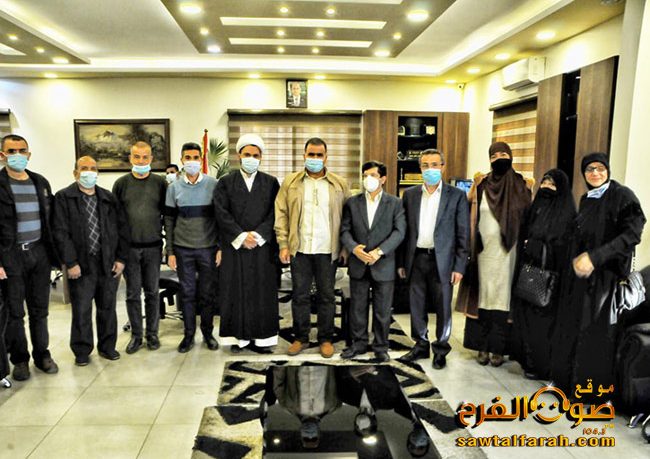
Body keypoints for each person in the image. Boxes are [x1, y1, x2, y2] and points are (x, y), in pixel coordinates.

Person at [551, 153, 645, 397]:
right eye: (589, 169)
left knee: (596, 337)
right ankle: (570, 386)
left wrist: (596, 257)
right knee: (574, 330)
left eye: (600, 168)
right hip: (582, 280)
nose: (595, 173)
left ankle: (591, 394)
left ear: (608, 170)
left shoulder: (622, 196)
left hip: (607, 280)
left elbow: (632, 234)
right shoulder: (587, 199)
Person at [456, 141, 532, 367]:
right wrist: (472, 189)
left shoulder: (522, 185)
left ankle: (499, 348)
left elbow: (528, 217)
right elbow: (466, 211)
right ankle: (482, 346)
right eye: (494, 155)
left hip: (510, 255)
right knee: (484, 298)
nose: (499, 158)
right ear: (489, 159)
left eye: (503, 154)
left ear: (511, 156)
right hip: (483, 253)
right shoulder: (482, 184)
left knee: (503, 300)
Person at [274, 137, 349, 358]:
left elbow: (348, 217)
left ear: (326, 157)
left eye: (319, 155)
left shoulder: (339, 184)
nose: (315, 158)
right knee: (300, 295)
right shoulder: (291, 182)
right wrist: (283, 243)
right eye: (311, 154)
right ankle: (301, 337)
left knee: (327, 296)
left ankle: (325, 338)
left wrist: (344, 248)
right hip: (300, 249)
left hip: (328, 249)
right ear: (304, 156)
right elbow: (281, 213)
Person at [52, 156, 130, 365]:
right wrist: (70, 263)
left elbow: (122, 229)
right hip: (80, 265)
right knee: (82, 309)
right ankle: (82, 350)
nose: (89, 172)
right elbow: (60, 232)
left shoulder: (108, 198)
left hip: (107, 262)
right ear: (75, 173)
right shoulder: (64, 197)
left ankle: (107, 347)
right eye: (84, 168)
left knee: (107, 307)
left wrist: (121, 258)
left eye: (93, 168)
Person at [398, 149, 470, 369]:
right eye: (425, 165)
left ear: (442, 167)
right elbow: (404, 232)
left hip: (444, 261)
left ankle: (440, 349)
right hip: (416, 258)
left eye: (434, 165)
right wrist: (401, 262)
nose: (430, 169)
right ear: (420, 168)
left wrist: (459, 266)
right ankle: (420, 344)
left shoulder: (456, 195)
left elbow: (463, 233)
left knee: (443, 307)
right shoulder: (410, 195)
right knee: (416, 305)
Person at [0, 134, 59, 381]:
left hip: (39, 252)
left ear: (29, 154)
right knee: (15, 312)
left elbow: (51, 219)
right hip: (10, 255)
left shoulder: (40, 182)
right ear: (2, 155)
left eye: (22, 151)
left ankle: (42, 354)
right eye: (11, 151)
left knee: (40, 310)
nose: (17, 155)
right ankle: (20, 359)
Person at [214, 133, 280, 354]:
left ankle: (263, 340)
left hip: (262, 248)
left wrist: (258, 236)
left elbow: (276, 213)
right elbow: (221, 212)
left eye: (255, 155)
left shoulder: (271, 183)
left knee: (262, 292)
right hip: (235, 247)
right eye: (247, 154)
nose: (251, 158)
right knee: (235, 291)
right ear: (239, 156)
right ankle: (239, 339)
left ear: (261, 158)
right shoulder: (225, 182)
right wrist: (241, 237)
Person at [510, 169, 575, 380]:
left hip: (550, 281)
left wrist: (538, 246)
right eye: (544, 183)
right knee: (526, 319)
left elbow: (564, 247)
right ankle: (527, 361)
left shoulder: (566, 215)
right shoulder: (534, 209)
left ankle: (542, 367)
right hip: (529, 274)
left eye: (552, 184)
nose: (546, 187)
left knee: (543, 323)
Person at [339, 160, 406, 362]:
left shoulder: (395, 203)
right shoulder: (352, 202)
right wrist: (354, 248)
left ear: (383, 179)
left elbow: (399, 232)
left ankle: (381, 346)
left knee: (382, 310)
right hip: (358, 263)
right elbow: (344, 230)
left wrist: (379, 251)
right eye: (365, 175)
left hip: (383, 264)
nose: (368, 179)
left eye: (373, 175)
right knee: (357, 308)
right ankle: (358, 344)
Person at [164, 142, 220, 353]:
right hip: (183, 249)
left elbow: (221, 219)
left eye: (196, 157)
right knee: (187, 294)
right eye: (188, 158)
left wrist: (220, 247)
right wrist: (170, 251)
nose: (192, 161)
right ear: (182, 160)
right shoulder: (173, 188)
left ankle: (207, 333)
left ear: (201, 159)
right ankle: (188, 335)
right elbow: (169, 221)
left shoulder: (214, 185)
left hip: (208, 248)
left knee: (207, 294)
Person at [112, 141, 166, 354]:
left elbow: (167, 215)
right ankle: (136, 335)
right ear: (130, 158)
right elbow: (114, 219)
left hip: (153, 248)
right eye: (137, 157)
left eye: (145, 157)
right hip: (129, 250)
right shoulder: (121, 184)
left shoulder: (160, 183)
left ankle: (152, 334)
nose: (141, 161)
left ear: (151, 159)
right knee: (133, 294)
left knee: (152, 292)